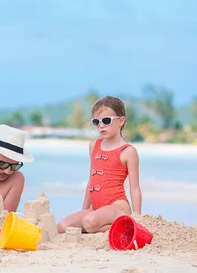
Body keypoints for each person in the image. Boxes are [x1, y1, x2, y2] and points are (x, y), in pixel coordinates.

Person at [57, 96, 142, 234]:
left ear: (121, 121)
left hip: (117, 206)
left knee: (89, 222)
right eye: (96, 122)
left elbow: (135, 188)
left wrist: (138, 218)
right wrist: (84, 209)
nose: (101, 125)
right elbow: (92, 180)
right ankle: (101, 222)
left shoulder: (128, 151)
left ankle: (125, 222)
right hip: (95, 209)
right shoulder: (94, 145)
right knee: (62, 227)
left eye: (106, 121)